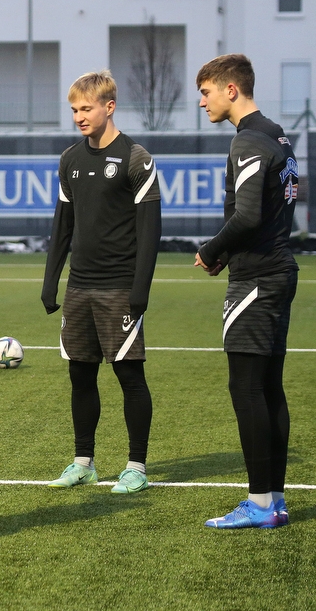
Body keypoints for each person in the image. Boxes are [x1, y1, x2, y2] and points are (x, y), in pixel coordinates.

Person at [40, 70, 161, 495]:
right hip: (80, 288)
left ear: (109, 107)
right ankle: (83, 463)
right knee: (80, 375)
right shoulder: (70, 159)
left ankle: (136, 467)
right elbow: (63, 224)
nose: (79, 116)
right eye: (74, 109)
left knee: (129, 377)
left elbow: (150, 230)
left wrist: (140, 288)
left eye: (86, 108)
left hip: (119, 288)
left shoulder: (136, 157)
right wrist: (51, 278)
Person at [194, 54, 298, 529]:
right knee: (269, 387)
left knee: (246, 389)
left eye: (207, 92)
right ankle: (273, 500)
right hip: (274, 270)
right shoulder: (277, 134)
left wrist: (211, 250)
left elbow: (249, 216)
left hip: (258, 278)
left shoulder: (249, 142)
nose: (202, 102)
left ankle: (259, 503)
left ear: (231, 90)